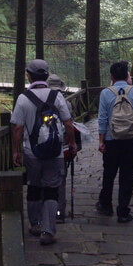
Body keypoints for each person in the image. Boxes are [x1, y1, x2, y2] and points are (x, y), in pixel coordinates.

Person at [11, 60, 77, 245]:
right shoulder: (56, 96)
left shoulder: (23, 98)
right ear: (47, 76)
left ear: (28, 75)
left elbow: (17, 128)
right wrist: (71, 143)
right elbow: (68, 124)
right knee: (51, 190)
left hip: (31, 152)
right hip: (54, 152)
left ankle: (35, 224)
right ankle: (48, 231)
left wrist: (16, 151)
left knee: (33, 186)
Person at [96, 61, 133, 222]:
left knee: (109, 173)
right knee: (128, 175)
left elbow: (102, 119)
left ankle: (106, 205)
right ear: (127, 75)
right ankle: (123, 211)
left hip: (111, 140)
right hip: (131, 140)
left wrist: (101, 140)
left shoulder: (106, 93)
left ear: (111, 76)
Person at [47, 73, 72, 223]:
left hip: (42, 146)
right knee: (61, 180)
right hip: (61, 147)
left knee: (45, 179)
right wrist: (73, 144)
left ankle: (45, 212)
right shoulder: (66, 103)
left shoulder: (39, 99)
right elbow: (70, 125)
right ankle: (59, 212)